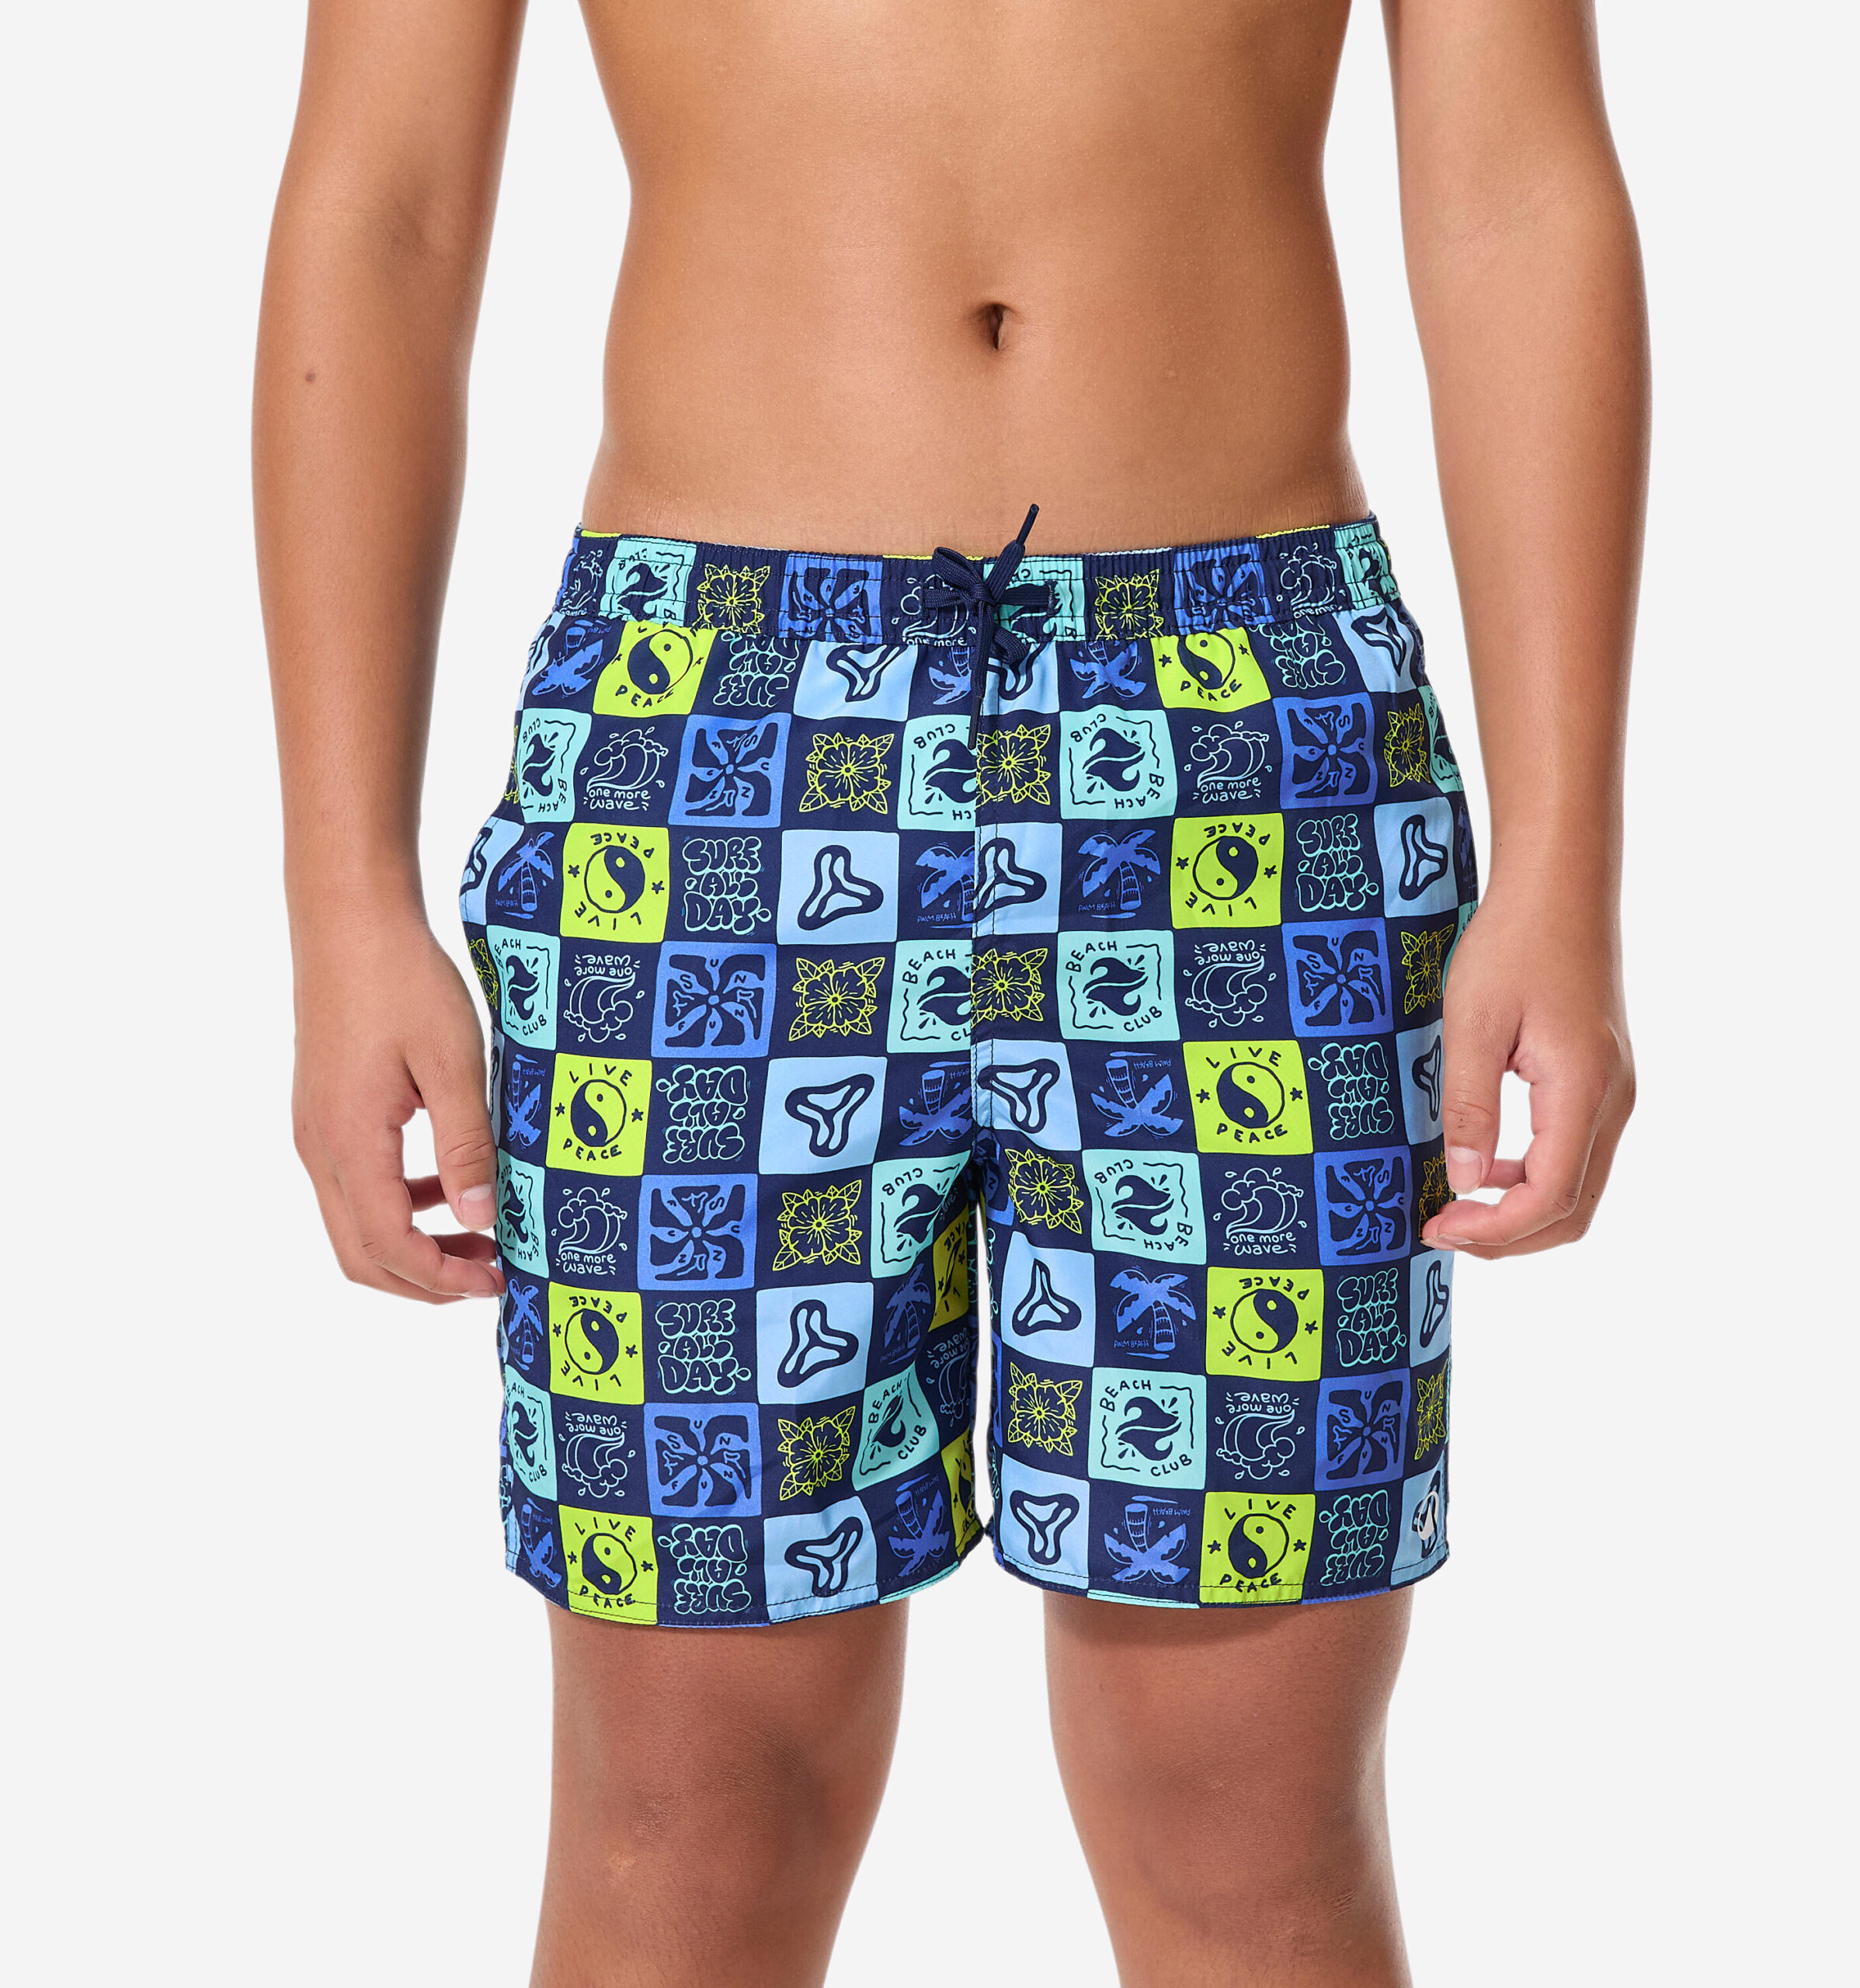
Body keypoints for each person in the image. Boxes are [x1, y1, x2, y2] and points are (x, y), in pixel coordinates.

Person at [255, 1, 1643, 1979]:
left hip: (1239, 754)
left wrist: (1566, 872)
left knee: (1247, 1816)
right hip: (719, 760)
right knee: (685, 1814)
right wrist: (342, 897)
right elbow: (380, 209)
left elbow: (1512, 192)